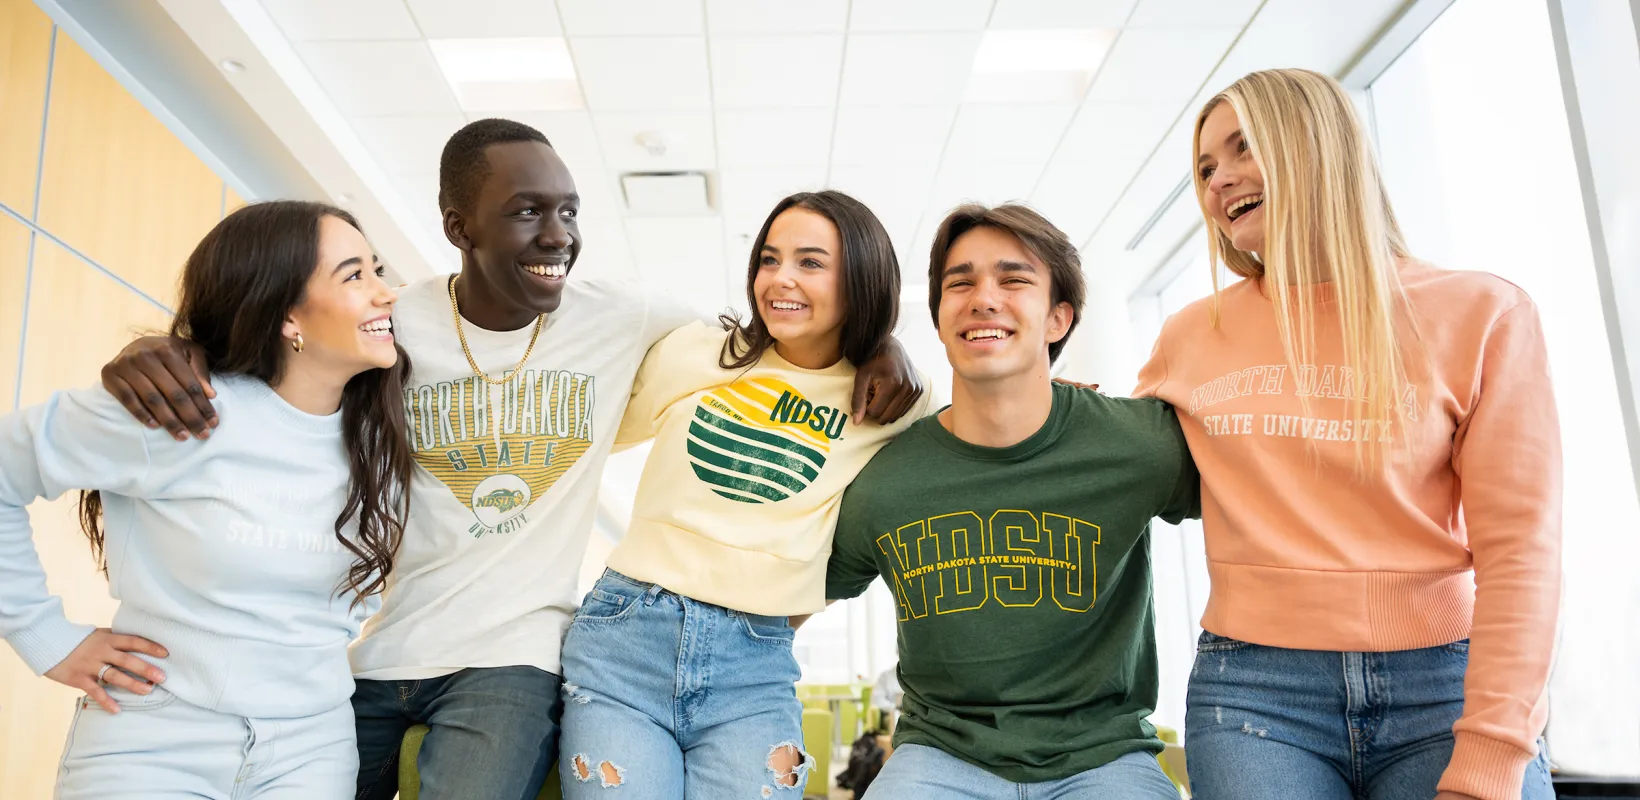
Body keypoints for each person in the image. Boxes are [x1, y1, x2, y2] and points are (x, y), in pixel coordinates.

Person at [100, 119, 922, 800]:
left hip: (525, 654)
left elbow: (796, 344)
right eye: (529, 212)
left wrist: (883, 343)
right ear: (459, 226)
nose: (558, 237)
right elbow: (275, 350)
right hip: (373, 645)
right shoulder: (397, 321)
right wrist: (163, 354)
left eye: (568, 211)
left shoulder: (629, 317)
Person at [1136, 68, 1560, 800]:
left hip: (1446, 685)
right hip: (1255, 695)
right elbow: (1106, 459)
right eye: (1206, 167)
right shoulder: (1189, 335)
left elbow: (1522, 552)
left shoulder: (1483, 314)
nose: (1219, 181)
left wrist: (1493, 752)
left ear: (1316, 147)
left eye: (1243, 149)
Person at [0, 201, 410, 796]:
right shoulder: (180, 410)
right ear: (287, 316)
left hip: (312, 752)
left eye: (378, 269)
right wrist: (43, 635)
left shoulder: (384, 436)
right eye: (354, 276)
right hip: (152, 741)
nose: (386, 293)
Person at [557, 190, 929, 798]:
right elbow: (580, 439)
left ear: (861, 279)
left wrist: (1050, 397)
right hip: (625, 640)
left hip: (752, 665)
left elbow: (986, 430)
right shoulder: (696, 351)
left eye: (811, 262)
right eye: (769, 259)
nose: (780, 279)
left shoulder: (891, 401)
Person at [826, 203, 1199, 799]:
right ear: (942, 318)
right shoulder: (885, 479)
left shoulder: (1139, 445)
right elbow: (788, 598)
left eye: (1014, 278)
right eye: (961, 282)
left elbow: (1262, 502)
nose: (983, 298)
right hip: (939, 756)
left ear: (1058, 319)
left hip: (1103, 756)